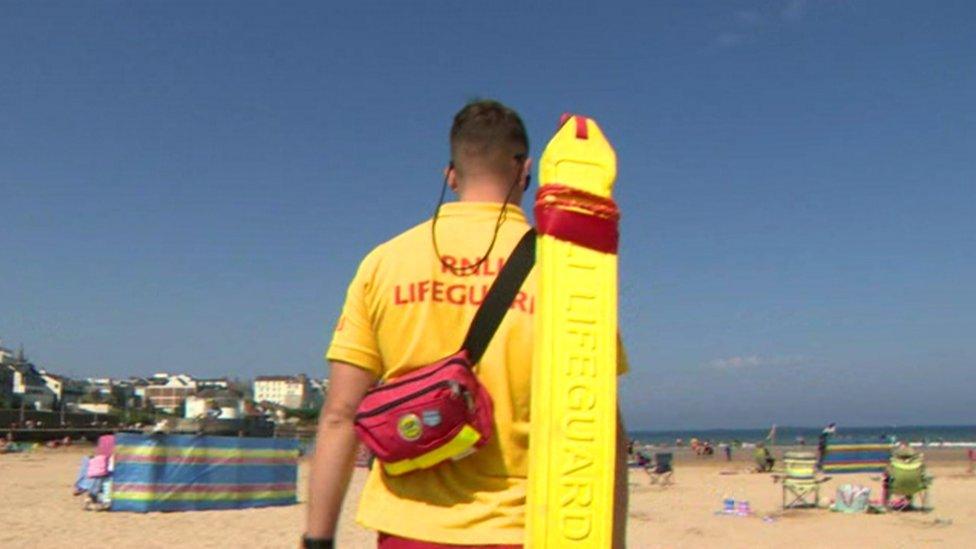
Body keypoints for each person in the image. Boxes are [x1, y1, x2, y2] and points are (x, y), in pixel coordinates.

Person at [304, 100, 627, 548]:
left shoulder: (384, 263)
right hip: (527, 528)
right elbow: (601, 427)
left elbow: (340, 415)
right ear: (526, 170)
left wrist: (317, 539)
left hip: (409, 529)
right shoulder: (569, 268)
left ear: (450, 175)